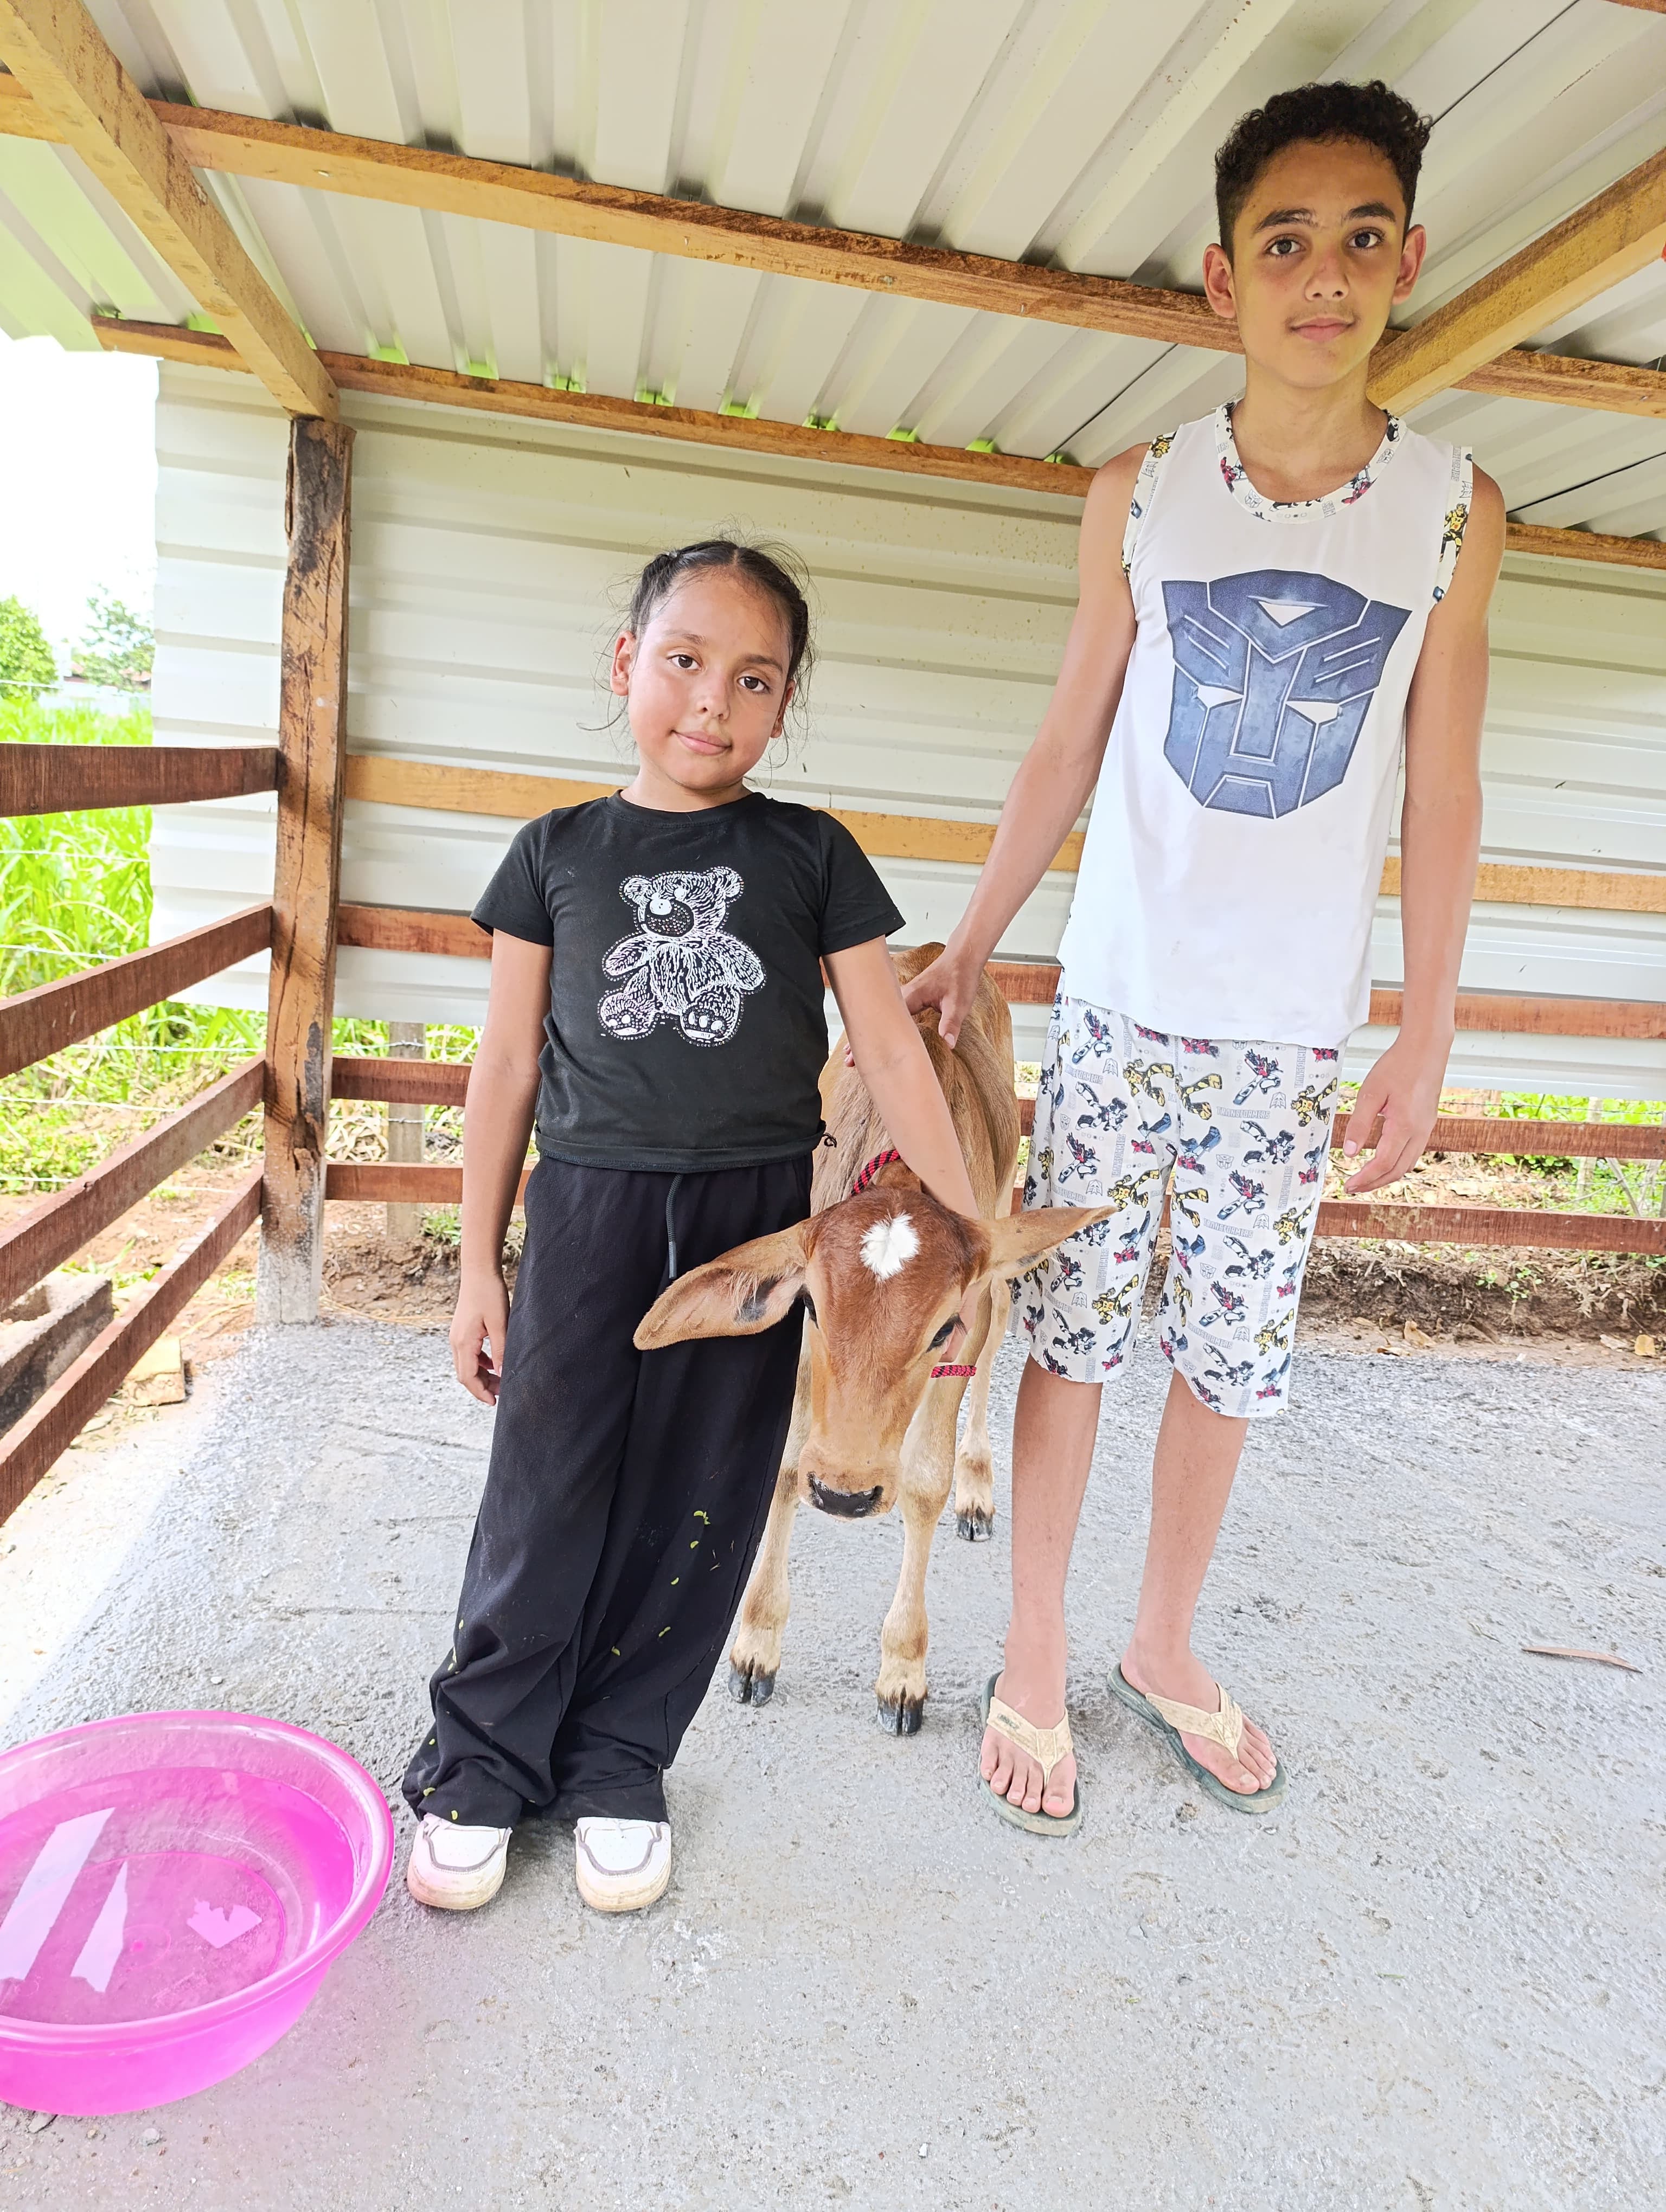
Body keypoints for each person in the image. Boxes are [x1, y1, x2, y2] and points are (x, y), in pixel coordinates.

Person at [906, 81, 1504, 1831]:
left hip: (1294, 1035)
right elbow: (1064, 743)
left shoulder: (1457, 516)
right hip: (1122, 1006)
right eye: (1286, 241)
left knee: (1231, 1360)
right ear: (1220, 275)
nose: (1325, 275)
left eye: (1361, 237)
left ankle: (1162, 1645)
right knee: (1077, 1337)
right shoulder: (1142, 494)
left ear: (1412, 256)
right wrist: (974, 946)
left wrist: (1428, 1026)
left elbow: (1446, 786)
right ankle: (1033, 1647)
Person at [402, 538, 981, 1911]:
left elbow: (891, 1053)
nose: (711, 703)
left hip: (757, 1218)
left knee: (703, 1493)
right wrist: (478, 1268)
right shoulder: (553, 855)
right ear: (626, 667)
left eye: (753, 678)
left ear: (784, 708)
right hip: (590, 1206)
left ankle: (618, 1759)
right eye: (684, 662)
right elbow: (506, 1069)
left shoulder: (811, 854)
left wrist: (964, 1226)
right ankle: (485, 1761)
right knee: (546, 1483)